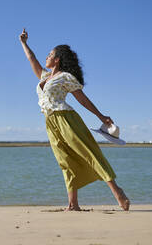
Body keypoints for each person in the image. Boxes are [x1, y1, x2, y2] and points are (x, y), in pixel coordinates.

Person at [19, 28, 130, 211]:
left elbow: (82, 99)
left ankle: (117, 192)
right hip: (50, 122)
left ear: (57, 59)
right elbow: (32, 59)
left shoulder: (66, 77)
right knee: (64, 160)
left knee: (89, 153)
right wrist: (24, 43)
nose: (46, 57)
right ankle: (73, 204)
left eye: (50, 54)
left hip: (66, 119)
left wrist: (101, 116)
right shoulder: (45, 76)